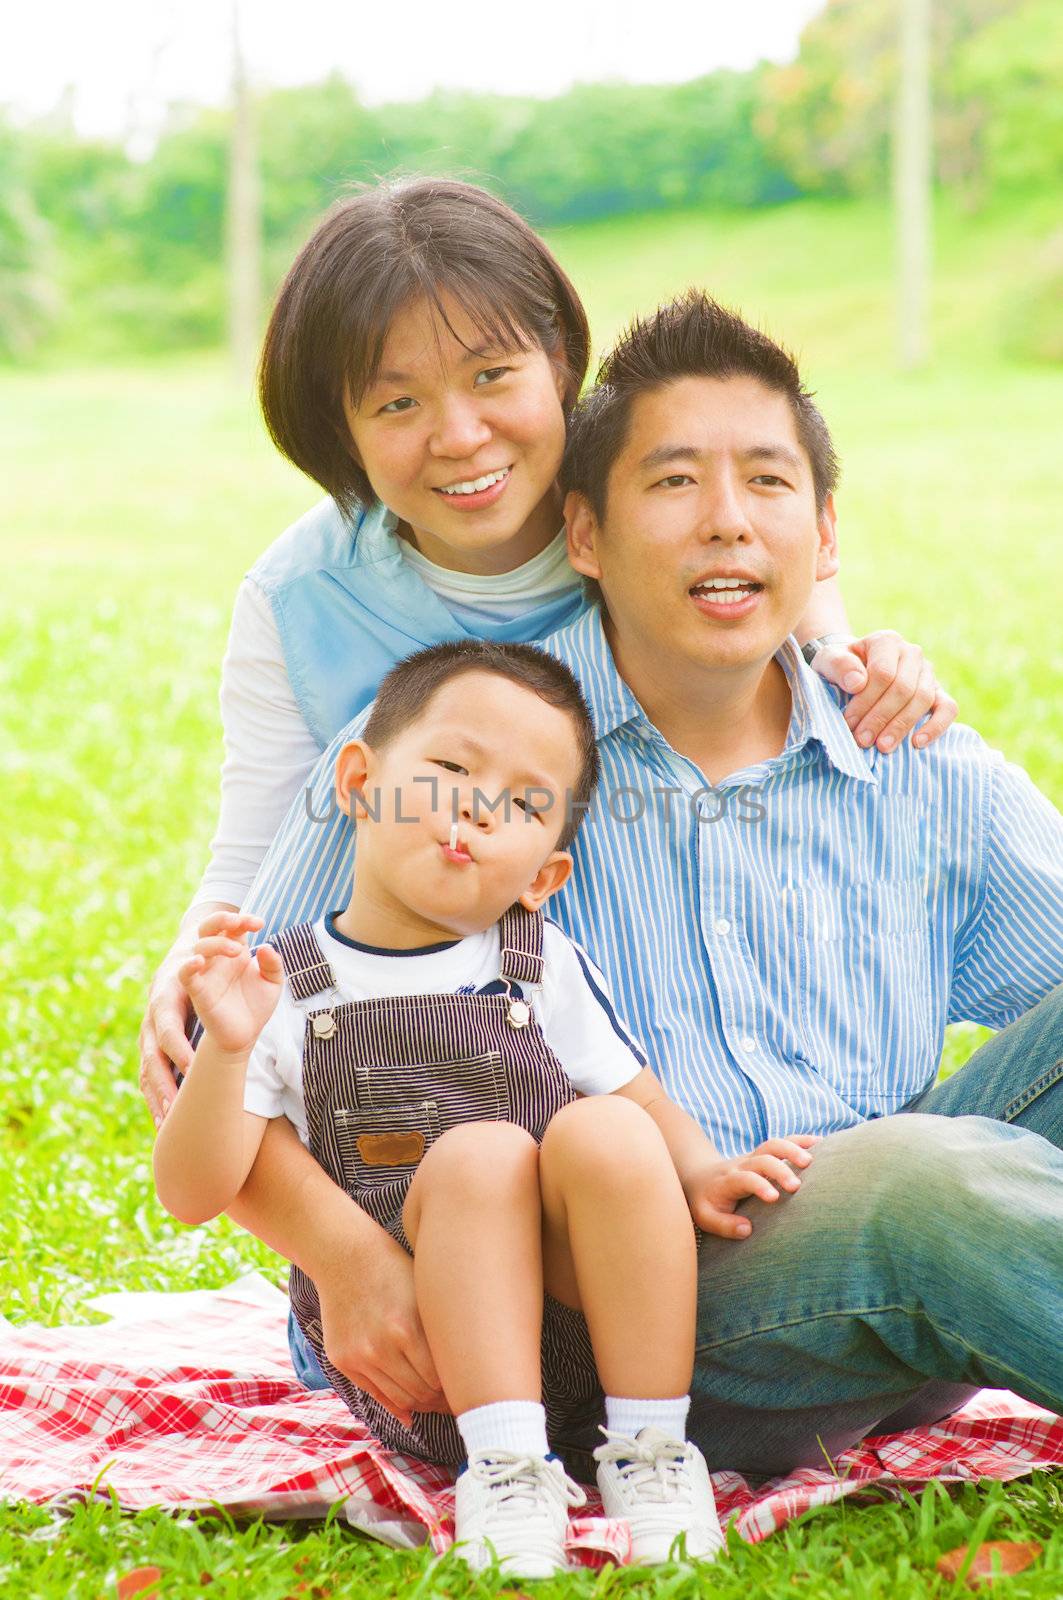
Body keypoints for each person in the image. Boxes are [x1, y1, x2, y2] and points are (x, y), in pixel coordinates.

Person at [243, 291, 1063, 1476]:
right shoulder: (461, 751)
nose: (726, 523)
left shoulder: (905, 748)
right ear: (584, 534)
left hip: (894, 1266)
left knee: (917, 1176)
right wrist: (349, 1259)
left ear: (825, 537)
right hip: (622, 1337)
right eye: (674, 484)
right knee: (914, 1178)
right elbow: (221, 1051)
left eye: (768, 485)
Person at [140, 177, 956, 1143]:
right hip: (477, 1077)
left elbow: (766, 561)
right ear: (341, 429)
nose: (459, 437)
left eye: (491, 377)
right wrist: (193, 955)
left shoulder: (643, 501)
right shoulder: (301, 601)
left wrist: (843, 646)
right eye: (397, 402)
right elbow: (264, 843)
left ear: (560, 361)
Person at [153, 640, 817, 1574]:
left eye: (523, 803)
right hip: (420, 1364)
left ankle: (654, 1448)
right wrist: (226, 1048)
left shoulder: (541, 963)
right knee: (480, 1156)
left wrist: (703, 1169)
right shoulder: (280, 989)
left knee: (606, 1128)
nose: (474, 805)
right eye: (451, 769)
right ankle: (507, 1470)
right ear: (358, 780)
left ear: (543, 875)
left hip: (590, 1343)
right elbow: (191, 1191)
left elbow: (638, 1094)